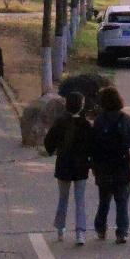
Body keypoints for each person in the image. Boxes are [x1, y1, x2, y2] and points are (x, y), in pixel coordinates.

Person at [90, 85, 130, 243]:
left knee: (104, 200)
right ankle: (122, 232)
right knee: (122, 201)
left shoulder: (99, 121)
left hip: (103, 167)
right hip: (121, 166)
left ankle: (100, 229)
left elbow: (92, 144)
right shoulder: (125, 119)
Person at [45, 90, 94, 246]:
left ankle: (60, 228)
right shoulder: (86, 125)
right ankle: (80, 233)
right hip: (81, 167)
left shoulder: (60, 122)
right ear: (81, 106)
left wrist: (52, 151)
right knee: (80, 200)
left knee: (63, 198)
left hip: (64, 165)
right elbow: (92, 146)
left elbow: (49, 142)